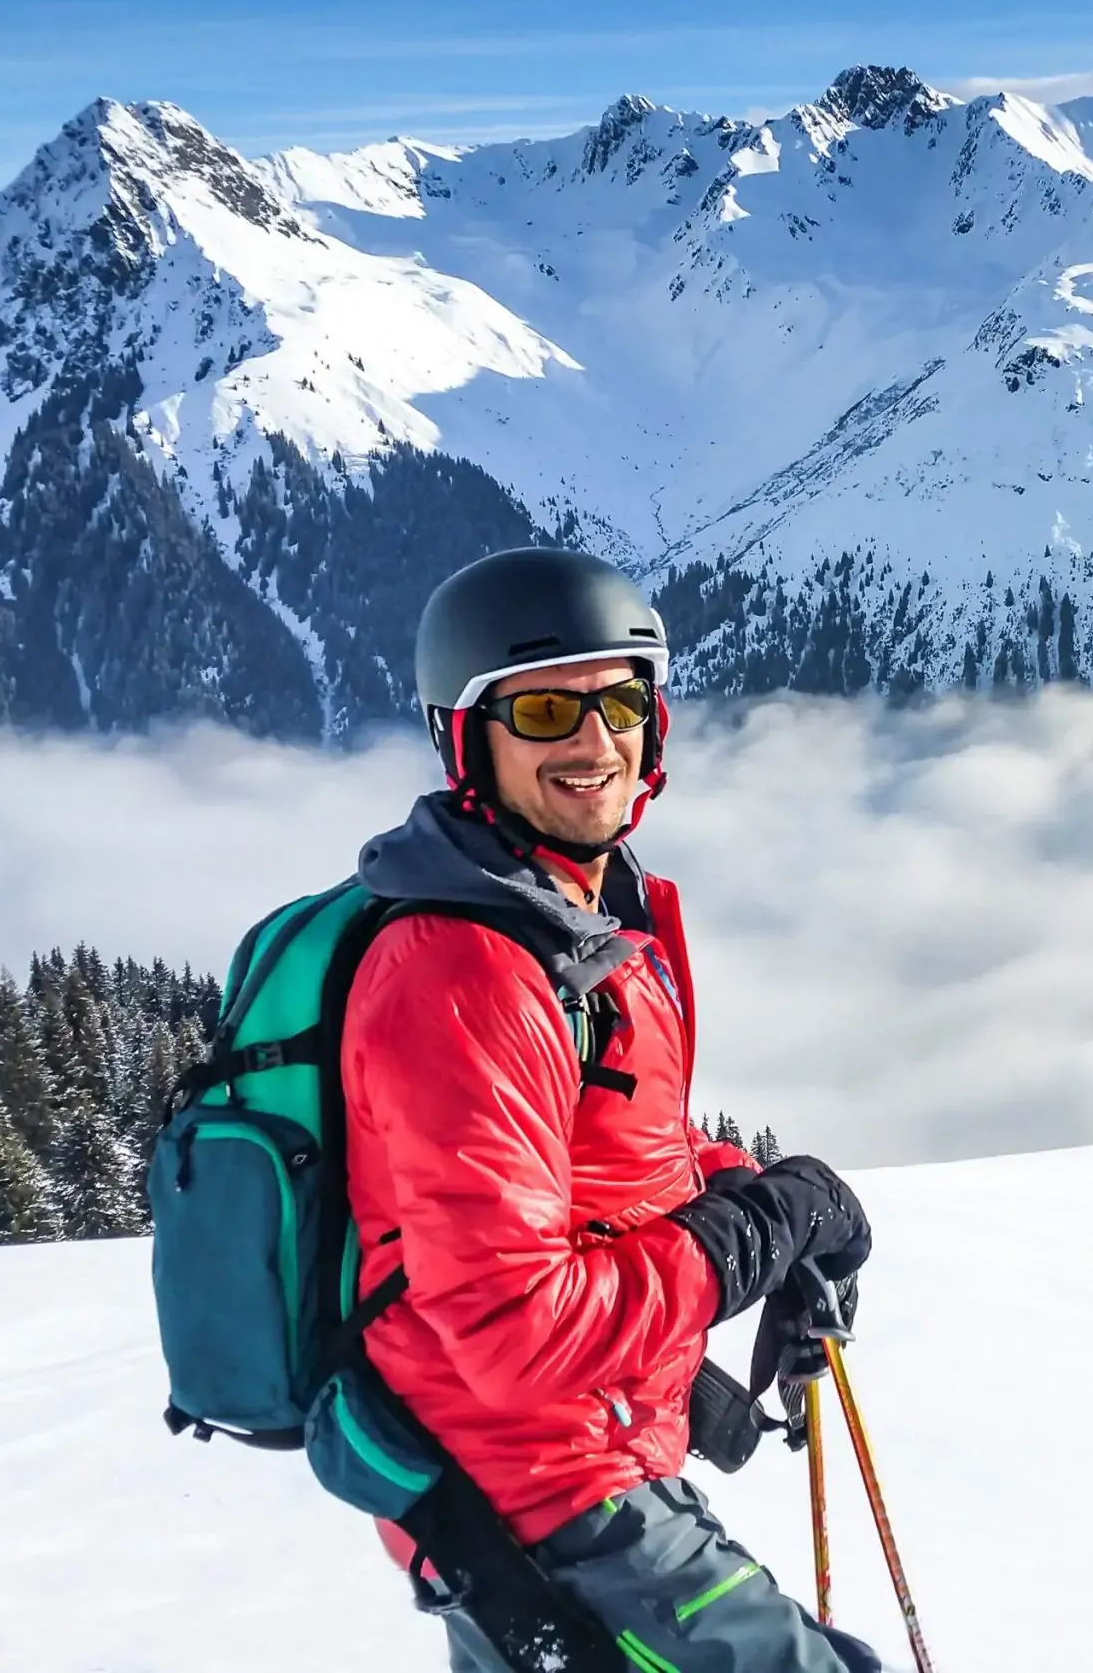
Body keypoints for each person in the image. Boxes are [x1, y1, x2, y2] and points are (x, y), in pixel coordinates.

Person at [339, 547, 880, 1673]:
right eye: (544, 709)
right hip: (542, 1490)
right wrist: (758, 1232)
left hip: (588, 1454)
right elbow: (514, 1335)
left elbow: (607, 1154)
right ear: (466, 737)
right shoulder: (463, 971)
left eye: (621, 701)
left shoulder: (570, 921)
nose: (596, 744)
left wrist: (755, 1194)